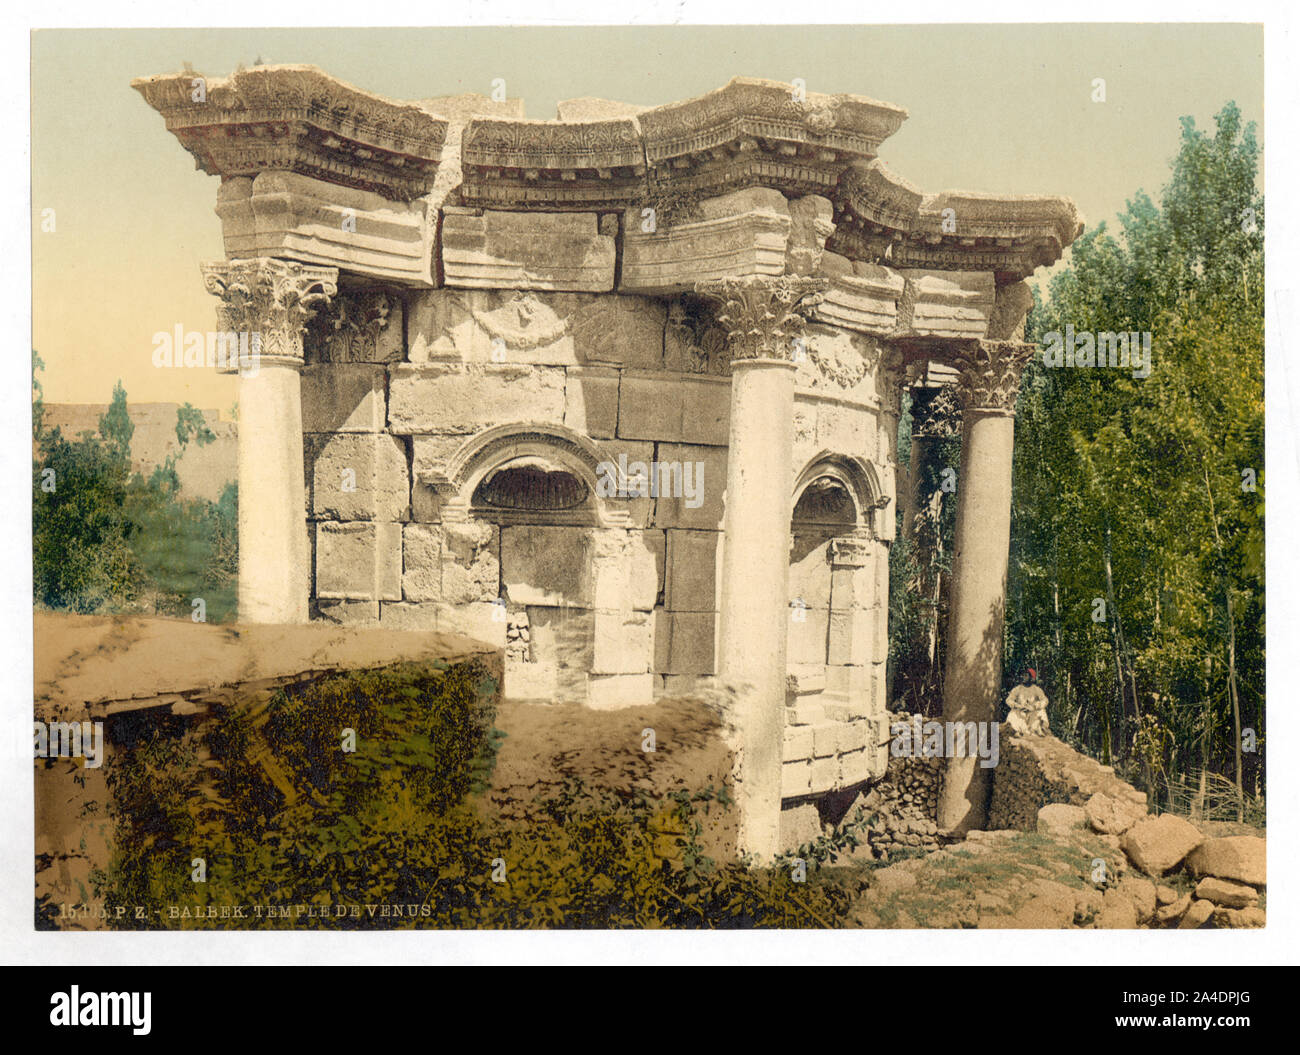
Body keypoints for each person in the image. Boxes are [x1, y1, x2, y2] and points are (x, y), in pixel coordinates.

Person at [1004, 668, 1050, 736]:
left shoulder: (1036, 689)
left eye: (1025, 675)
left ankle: (1038, 729)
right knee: (1013, 713)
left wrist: (1035, 706)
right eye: (1022, 675)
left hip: (1032, 714)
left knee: (1041, 711)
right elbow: (1008, 700)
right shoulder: (1018, 689)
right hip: (1021, 713)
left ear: (1031, 678)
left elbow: (1045, 700)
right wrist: (1018, 706)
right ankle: (1017, 731)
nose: (1023, 677)